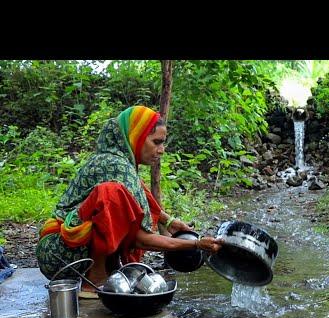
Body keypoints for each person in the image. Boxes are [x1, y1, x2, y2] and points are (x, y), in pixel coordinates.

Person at [36, 105, 223, 298]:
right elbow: (141, 239)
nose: (162, 150)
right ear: (136, 136)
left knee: (127, 192)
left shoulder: (121, 164)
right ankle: (94, 281)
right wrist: (196, 245)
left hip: (68, 250)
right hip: (59, 255)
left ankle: (108, 269)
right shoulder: (114, 166)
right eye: (156, 142)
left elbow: (139, 195)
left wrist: (169, 222)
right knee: (111, 194)